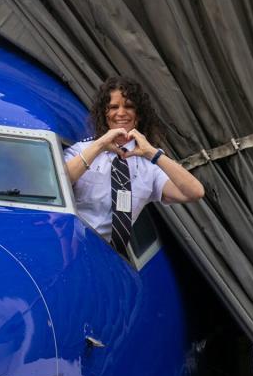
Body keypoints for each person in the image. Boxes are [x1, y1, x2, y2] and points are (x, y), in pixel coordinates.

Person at [64, 76, 204, 253]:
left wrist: (152, 152)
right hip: (71, 247)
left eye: (128, 106)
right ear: (104, 114)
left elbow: (195, 192)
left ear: (138, 116)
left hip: (111, 257)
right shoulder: (82, 151)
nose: (121, 113)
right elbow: (58, 182)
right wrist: (99, 145)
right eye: (114, 107)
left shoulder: (150, 166)